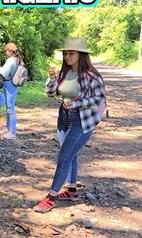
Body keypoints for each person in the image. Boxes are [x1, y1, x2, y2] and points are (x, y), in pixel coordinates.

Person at [33, 37, 105, 213]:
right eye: (65, 53)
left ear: (81, 55)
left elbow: (99, 98)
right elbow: (50, 93)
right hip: (64, 117)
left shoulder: (91, 76)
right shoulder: (64, 73)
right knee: (70, 155)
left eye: (71, 53)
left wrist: (77, 103)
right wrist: (51, 78)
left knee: (64, 157)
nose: (67, 56)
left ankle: (51, 197)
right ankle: (71, 190)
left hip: (81, 121)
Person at [0, 42, 23, 140]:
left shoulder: (11, 60)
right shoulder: (16, 59)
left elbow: (3, 72)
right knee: (9, 107)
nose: (5, 53)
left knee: (10, 108)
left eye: (6, 51)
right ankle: (7, 127)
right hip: (11, 84)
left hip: (9, 84)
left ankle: (12, 132)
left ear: (10, 51)